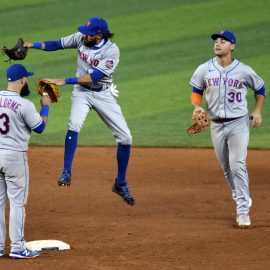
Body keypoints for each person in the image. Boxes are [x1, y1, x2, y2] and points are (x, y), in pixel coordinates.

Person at [24, 16, 135, 206]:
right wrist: (31, 45)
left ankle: (120, 182)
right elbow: (56, 44)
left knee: (126, 138)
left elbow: (95, 77)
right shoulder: (81, 37)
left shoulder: (111, 51)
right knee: (74, 124)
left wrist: (63, 81)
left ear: (99, 35)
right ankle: (66, 171)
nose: (85, 35)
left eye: (90, 34)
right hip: (81, 93)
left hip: (103, 94)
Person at [189, 30, 266, 228]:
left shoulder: (244, 70)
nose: (218, 43)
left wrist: (257, 111)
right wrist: (197, 106)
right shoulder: (204, 69)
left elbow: (260, 89)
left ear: (232, 46)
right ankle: (240, 192)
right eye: (216, 40)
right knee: (226, 168)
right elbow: (196, 91)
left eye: (223, 41)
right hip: (215, 124)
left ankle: (242, 211)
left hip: (238, 123)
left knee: (237, 164)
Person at [0, 64, 52, 258]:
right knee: (17, 203)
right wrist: (45, 105)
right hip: (14, 157)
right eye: (26, 78)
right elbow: (40, 128)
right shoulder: (25, 105)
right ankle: (17, 247)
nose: (27, 81)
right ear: (22, 80)